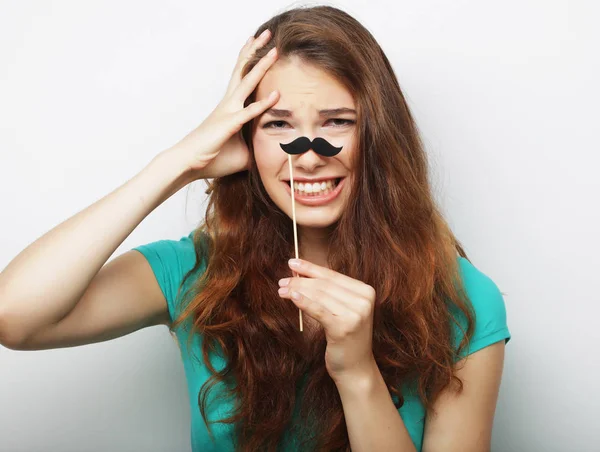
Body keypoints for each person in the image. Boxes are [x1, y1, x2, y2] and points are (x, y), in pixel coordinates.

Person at [0, 5, 511, 452]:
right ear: (245, 138)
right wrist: (178, 162)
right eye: (278, 124)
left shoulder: (464, 301)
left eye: (338, 121)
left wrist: (357, 373)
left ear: (378, 134)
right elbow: (15, 316)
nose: (308, 155)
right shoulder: (194, 272)